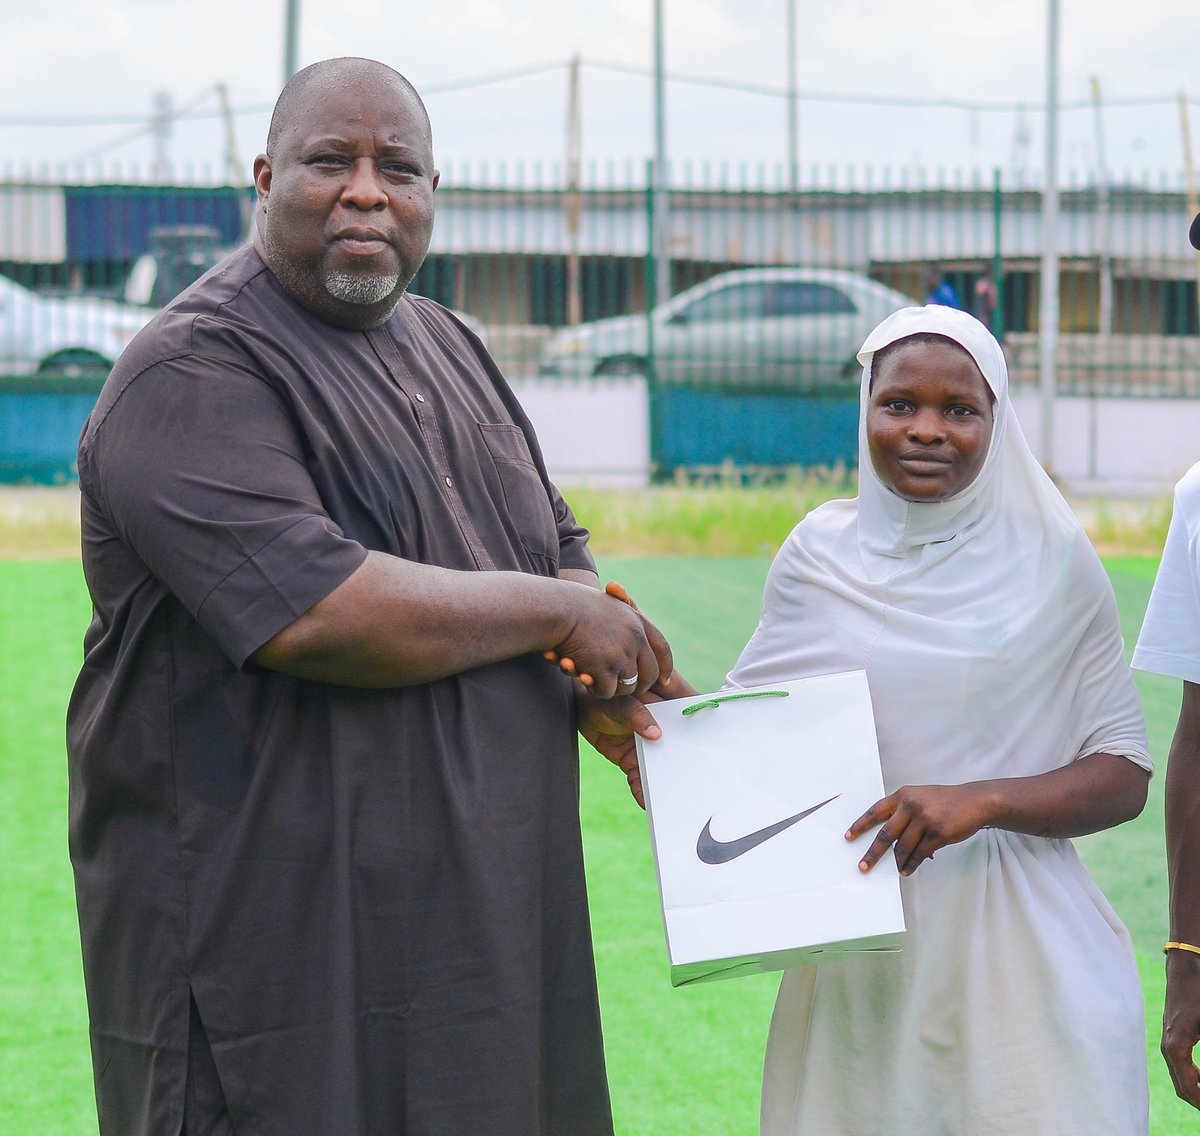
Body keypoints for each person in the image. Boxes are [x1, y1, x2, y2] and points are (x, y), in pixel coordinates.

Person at [66, 57, 672, 1136]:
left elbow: (550, 545)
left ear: (433, 190)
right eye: (329, 162)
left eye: (397, 167)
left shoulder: (452, 344)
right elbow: (319, 611)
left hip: (479, 929)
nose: (365, 191)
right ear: (265, 178)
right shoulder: (191, 370)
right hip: (276, 954)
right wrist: (561, 616)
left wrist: (594, 671)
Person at [598, 305, 1154, 1134]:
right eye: (899, 404)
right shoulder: (818, 553)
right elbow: (753, 745)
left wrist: (982, 802)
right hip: (861, 956)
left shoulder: (1055, 560)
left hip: (1026, 958)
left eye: (959, 409)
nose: (926, 429)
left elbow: (1124, 773)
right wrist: (658, 694)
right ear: (866, 410)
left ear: (997, 421)